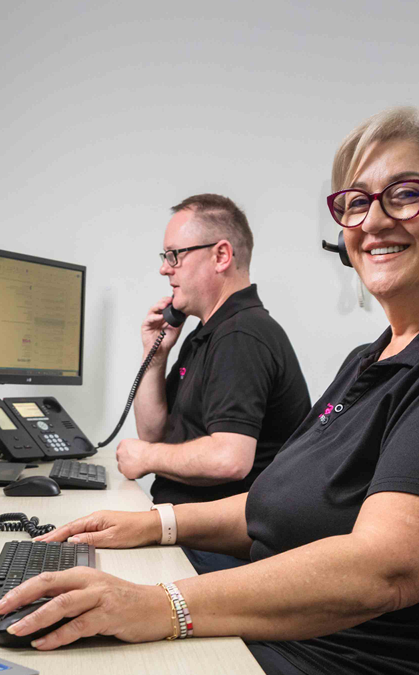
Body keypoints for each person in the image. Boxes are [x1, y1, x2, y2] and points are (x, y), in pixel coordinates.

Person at [0, 107, 419, 675]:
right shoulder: (374, 358)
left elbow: (384, 570)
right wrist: (158, 524)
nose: (372, 221)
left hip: (371, 658)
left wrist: (159, 605)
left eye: (406, 194)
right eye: (354, 203)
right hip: (313, 635)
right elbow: (278, 502)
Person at [118, 193, 311, 573]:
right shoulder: (207, 332)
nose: (165, 269)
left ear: (221, 256)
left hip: (222, 548)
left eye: (174, 255)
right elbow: (154, 431)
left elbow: (229, 459)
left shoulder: (242, 335)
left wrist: (146, 457)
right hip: (189, 530)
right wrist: (154, 356)